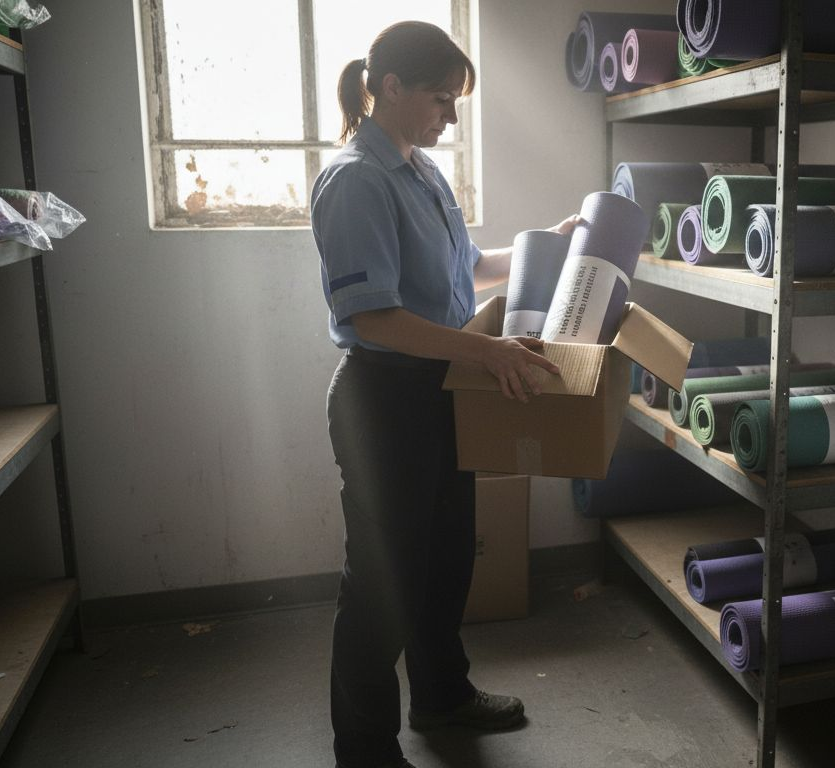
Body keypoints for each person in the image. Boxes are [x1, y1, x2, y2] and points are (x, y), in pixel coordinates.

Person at [310, 21, 578, 768]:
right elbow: (377, 317)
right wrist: (489, 351)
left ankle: (441, 696)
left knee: (445, 558)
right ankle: (364, 750)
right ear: (389, 88)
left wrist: (544, 246)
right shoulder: (356, 180)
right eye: (440, 98)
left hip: (438, 390)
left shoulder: (418, 169)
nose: (450, 117)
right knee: (383, 585)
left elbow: (464, 268)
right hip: (383, 401)